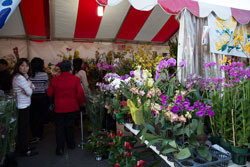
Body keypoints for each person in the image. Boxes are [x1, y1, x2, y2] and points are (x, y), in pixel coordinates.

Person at [47, 60, 84, 156]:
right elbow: (80, 94)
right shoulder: (75, 79)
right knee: (69, 126)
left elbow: (49, 93)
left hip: (59, 107)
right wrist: (81, 104)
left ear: (60, 69)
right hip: (71, 106)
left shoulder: (54, 80)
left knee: (59, 127)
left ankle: (59, 148)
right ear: (71, 68)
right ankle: (71, 144)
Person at [12, 58, 38, 157]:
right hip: (22, 106)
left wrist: (29, 88)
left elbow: (33, 87)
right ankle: (24, 150)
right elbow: (30, 92)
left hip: (24, 105)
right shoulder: (19, 78)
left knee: (24, 128)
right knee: (23, 129)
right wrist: (29, 89)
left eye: (27, 66)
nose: (25, 68)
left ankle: (24, 146)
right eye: (22, 65)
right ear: (18, 66)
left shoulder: (24, 76)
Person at [29, 57, 49, 143]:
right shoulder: (44, 75)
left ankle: (34, 134)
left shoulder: (28, 75)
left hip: (31, 98)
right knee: (40, 116)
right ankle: (39, 135)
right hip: (42, 97)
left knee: (32, 117)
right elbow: (47, 87)